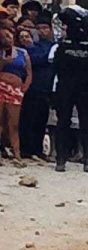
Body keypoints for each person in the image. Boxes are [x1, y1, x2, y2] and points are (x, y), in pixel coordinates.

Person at [52, 6, 88, 173]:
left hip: (86, 89)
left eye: (67, 24)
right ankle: (60, 159)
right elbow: (54, 69)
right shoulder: (63, 45)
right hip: (65, 88)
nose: (65, 27)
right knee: (62, 122)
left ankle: (87, 159)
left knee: (87, 123)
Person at [18, 14, 54, 160]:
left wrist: (30, 48)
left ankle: (37, 149)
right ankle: (25, 149)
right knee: (26, 119)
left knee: (41, 120)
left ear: (51, 29)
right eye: (38, 28)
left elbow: (41, 58)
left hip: (45, 88)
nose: (41, 31)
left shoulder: (52, 46)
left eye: (44, 28)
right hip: (28, 87)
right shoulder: (25, 45)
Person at [0, 25, 32, 164]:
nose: (8, 39)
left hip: (16, 88)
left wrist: (25, 86)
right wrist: (3, 62)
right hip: (1, 85)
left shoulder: (22, 52)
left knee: (14, 123)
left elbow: (29, 72)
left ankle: (16, 153)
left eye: (9, 36)